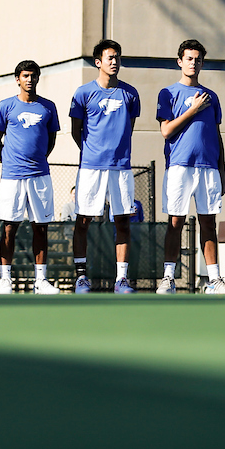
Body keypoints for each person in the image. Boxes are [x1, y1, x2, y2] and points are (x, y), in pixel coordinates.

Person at [156, 39, 225, 295]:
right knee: (175, 222)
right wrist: (193, 109)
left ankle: (214, 280)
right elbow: (166, 130)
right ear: (180, 62)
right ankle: (168, 278)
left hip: (208, 168)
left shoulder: (212, 96)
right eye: (189, 58)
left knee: (208, 223)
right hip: (179, 166)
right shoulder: (168, 93)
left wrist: (222, 172)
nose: (194, 62)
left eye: (198, 59)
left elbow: (217, 135)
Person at [70, 39, 140, 294]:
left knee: (122, 221)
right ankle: (81, 277)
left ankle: (121, 279)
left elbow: (128, 129)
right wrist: (93, 153)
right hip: (91, 167)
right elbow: (76, 132)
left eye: (118, 57)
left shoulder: (130, 93)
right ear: (98, 62)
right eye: (110, 57)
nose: (114, 61)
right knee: (84, 220)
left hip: (121, 167)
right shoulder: (83, 93)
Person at [0, 60, 61, 295]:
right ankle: (5, 279)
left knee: (41, 227)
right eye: (25, 75)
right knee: (9, 228)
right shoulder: (6, 106)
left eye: (33, 75)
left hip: (40, 176)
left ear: (38, 78)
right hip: (12, 177)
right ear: (17, 79)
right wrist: (8, 160)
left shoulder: (48, 107)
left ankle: (40, 280)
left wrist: (37, 158)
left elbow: (50, 141)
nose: (30, 79)